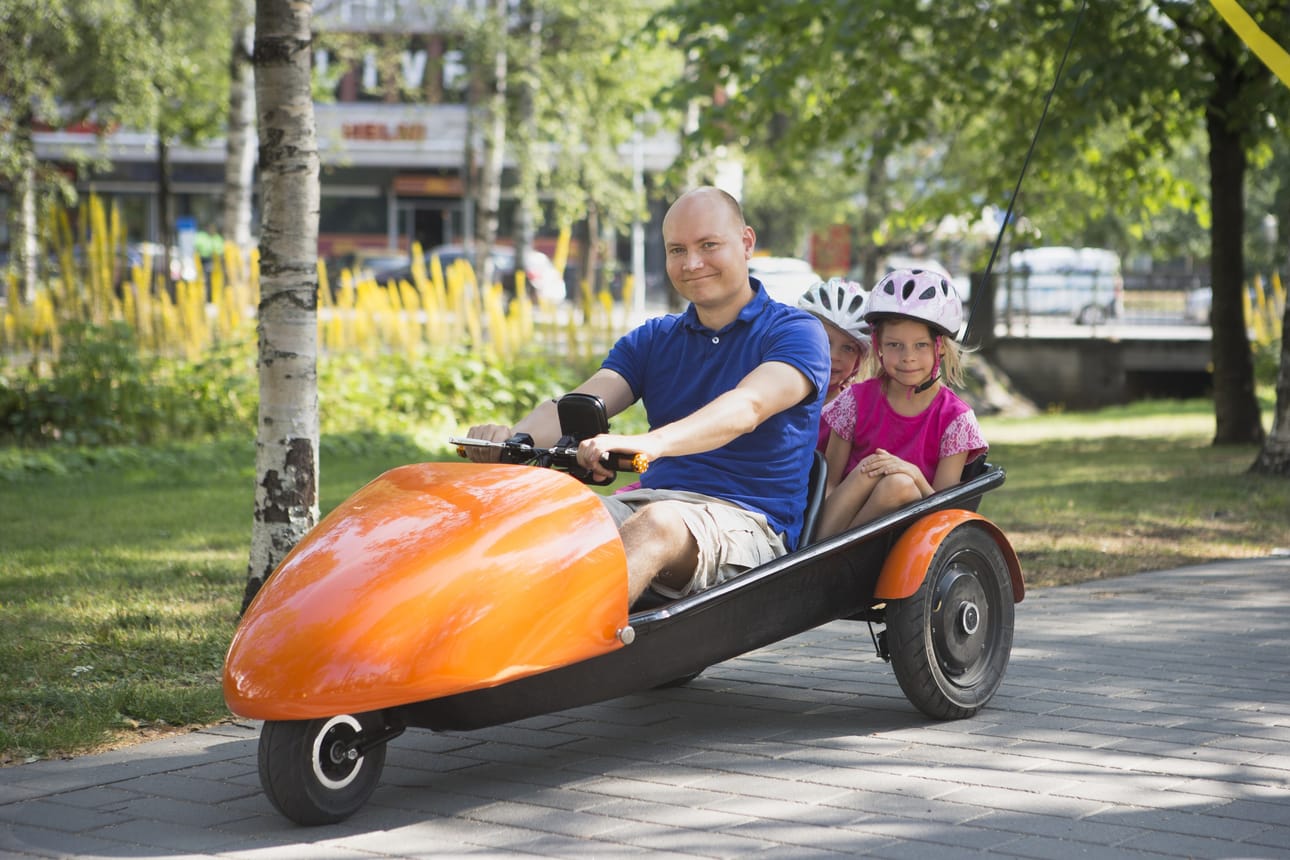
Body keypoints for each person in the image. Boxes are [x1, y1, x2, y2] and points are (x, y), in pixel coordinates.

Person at [464, 186, 830, 603]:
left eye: (708, 245)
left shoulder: (797, 331)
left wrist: (649, 443)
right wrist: (512, 440)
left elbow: (747, 407)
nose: (692, 263)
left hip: (750, 526)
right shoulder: (654, 339)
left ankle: (573, 661)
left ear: (746, 243)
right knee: (548, 519)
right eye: (677, 250)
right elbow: (578, 405)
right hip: (652, 505)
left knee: (659, 525)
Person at [815, 268, 987, 539]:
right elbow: (830, 482)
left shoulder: (955, 419)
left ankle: (836, 563)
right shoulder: (855, 401)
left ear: (940, 346)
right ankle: (826, 557)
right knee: (876, 469)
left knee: (900, 485)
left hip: (909, 538)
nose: (908, 357)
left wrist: (915, 475)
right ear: (878, 345)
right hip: (836, 522)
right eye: (895, 345)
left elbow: (945, 511)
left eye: (920, 345)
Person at [796, 277, 871, 452]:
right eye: (824, 341)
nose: (833, 356)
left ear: (859, 360)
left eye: (848, 348)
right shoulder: (775, 390)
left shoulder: (853, 409)